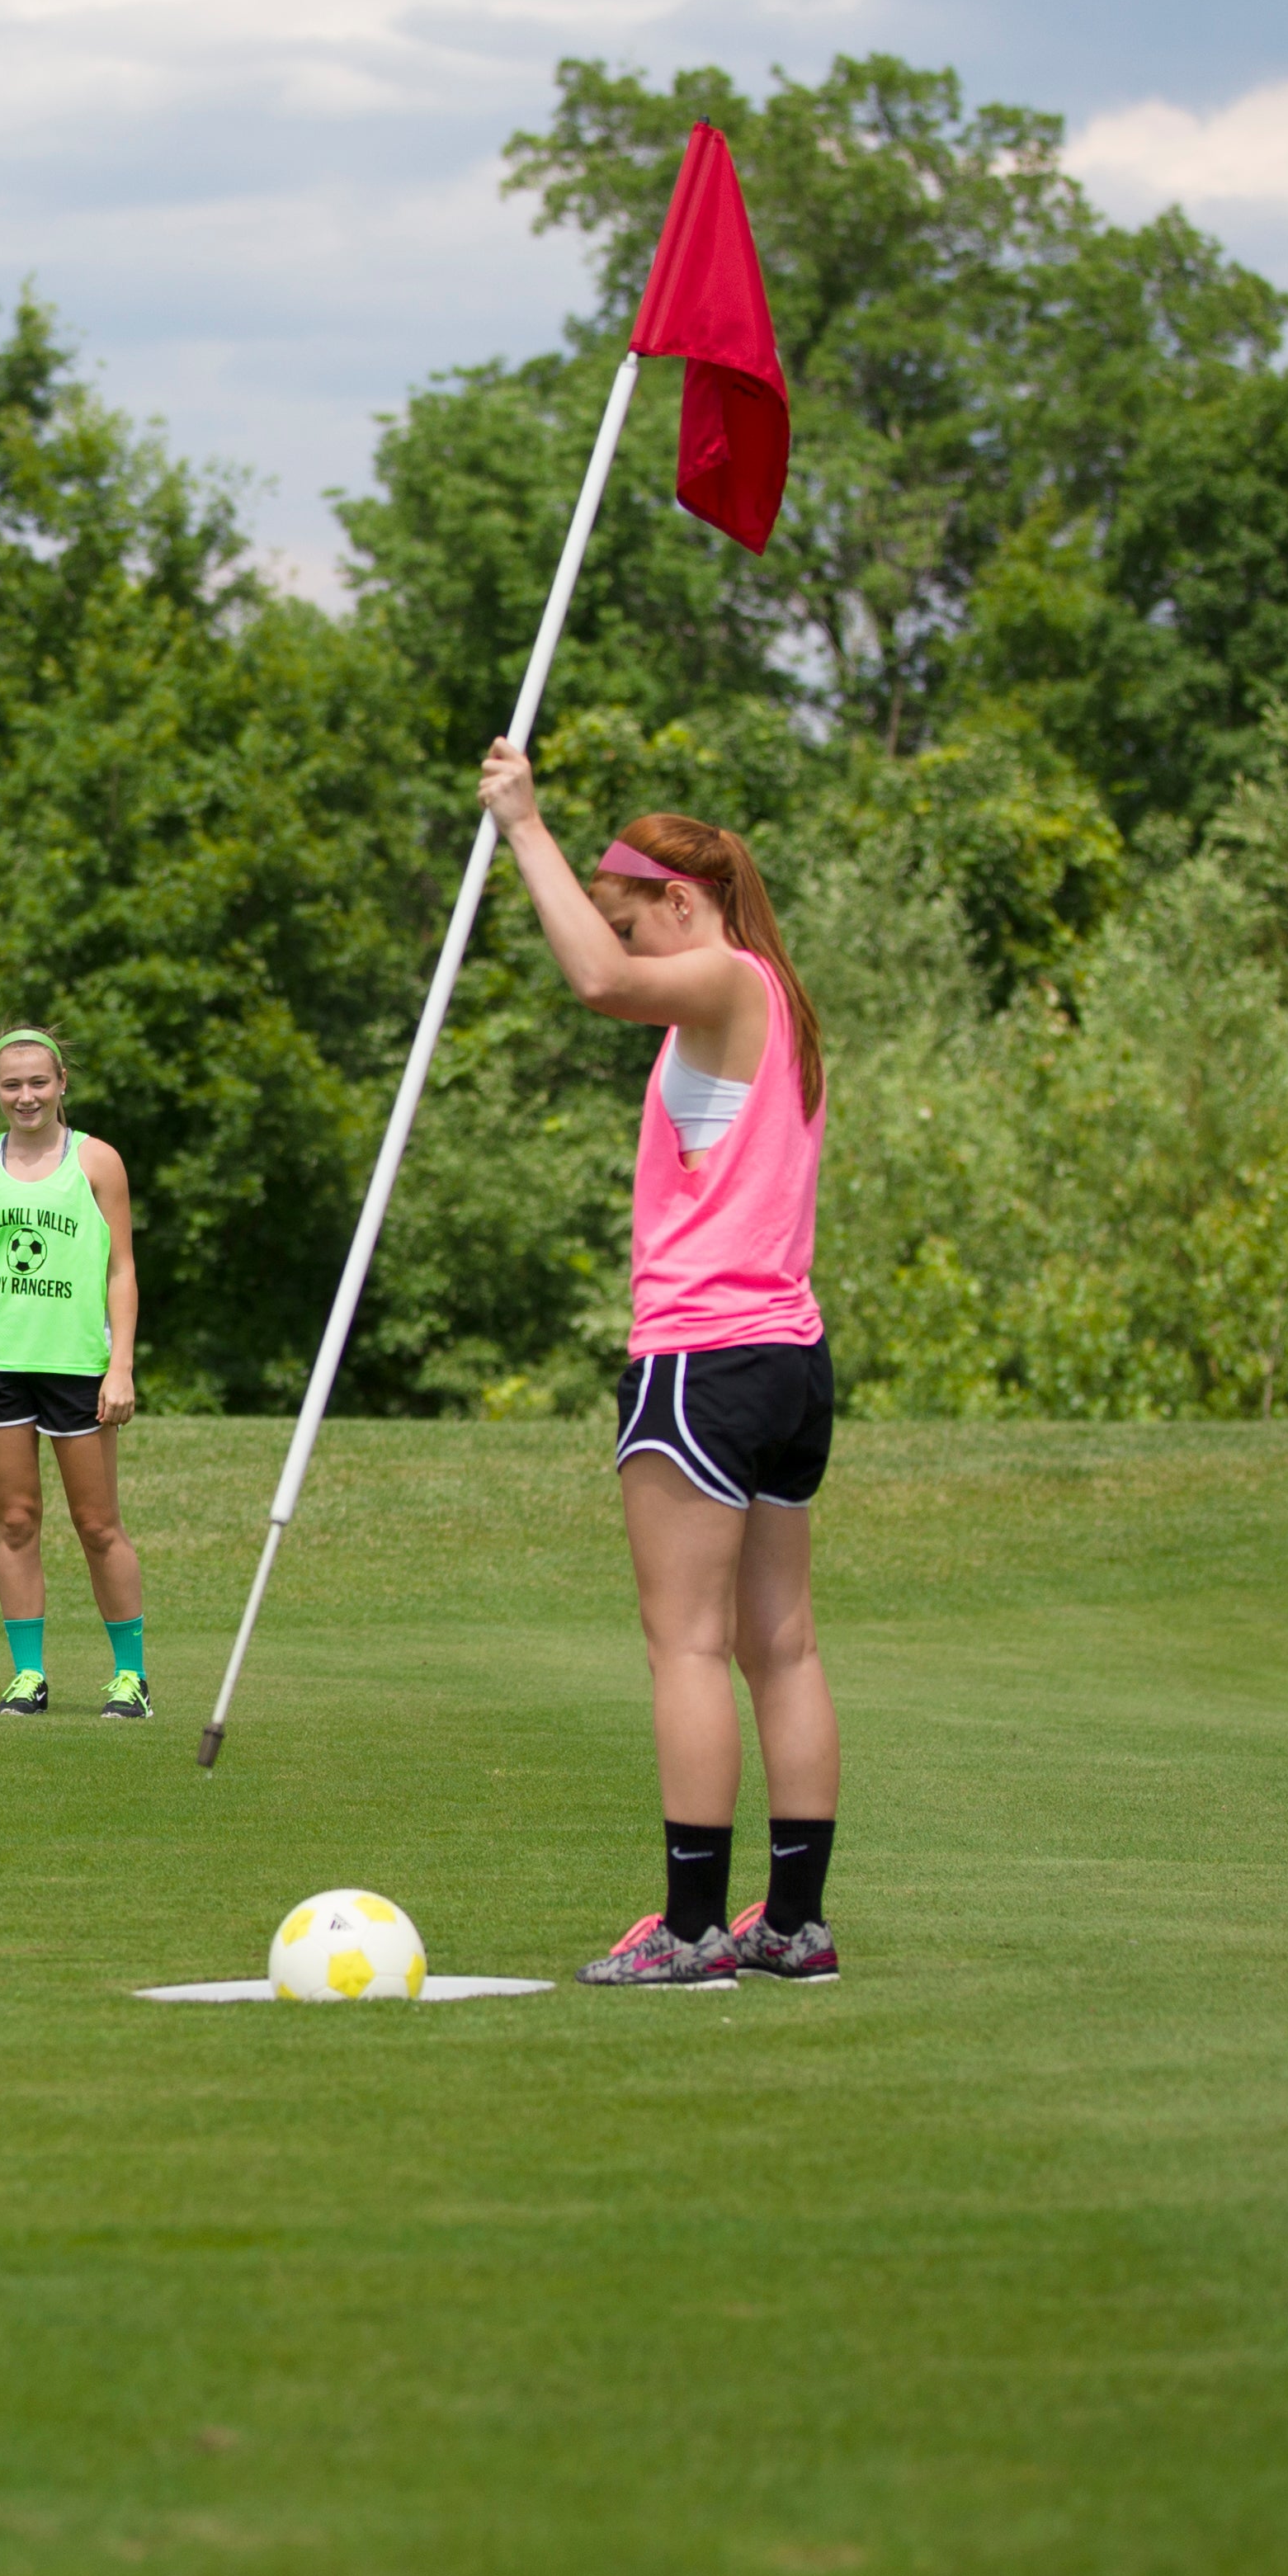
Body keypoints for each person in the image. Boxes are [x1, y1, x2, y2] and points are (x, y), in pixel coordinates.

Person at [481, 738, 842, 1989]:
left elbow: (590, 978)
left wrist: (525, 827)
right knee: (778, 1645)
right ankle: (791, 1924)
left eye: (638, 918)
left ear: (680, 901)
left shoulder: (732, 980)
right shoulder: (780, 999)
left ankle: (692, 1932)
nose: (629, 944)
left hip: (704, 1352)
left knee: (685, 1644)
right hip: (788, 1360)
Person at [0, 1028, 149, 1720]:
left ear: (61, 1084)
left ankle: (131, 1678)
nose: (25, 1096)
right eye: (11, 1085)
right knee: (17, 1521)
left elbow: (122, 1270)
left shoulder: (97, 1161)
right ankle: (28, 1675)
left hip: (78, 1364)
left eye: (38, 1082)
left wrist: (121, 1366)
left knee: (97, 1525)